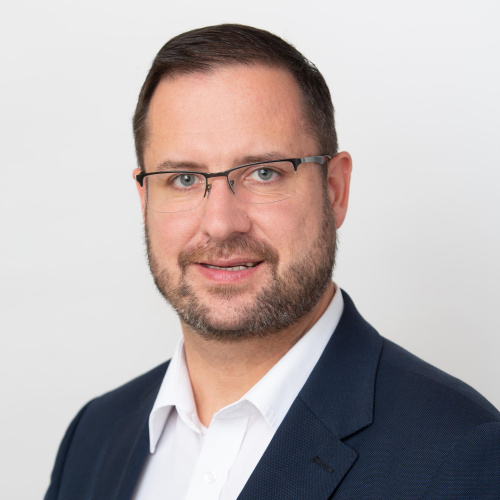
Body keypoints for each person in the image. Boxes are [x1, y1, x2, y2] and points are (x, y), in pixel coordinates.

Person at [45, 24, 500, 500]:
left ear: (335, 190)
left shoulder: (463, 456)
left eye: (264, 173)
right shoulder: (93, 437)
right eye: (183, 179)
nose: (220, 224)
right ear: (144, 200)